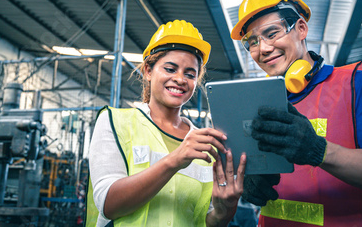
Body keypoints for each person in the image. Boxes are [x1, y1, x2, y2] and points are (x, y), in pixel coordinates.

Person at [230, 0, 362, 227]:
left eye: (272, 33)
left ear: (301, 29)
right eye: (252, 42)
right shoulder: (257, 104)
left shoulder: (354, 82)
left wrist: (318, 150)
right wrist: (248, 181)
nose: (262, 49)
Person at [86, 19, 247, 226]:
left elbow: (207, 220)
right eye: (170, 69)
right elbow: (108, 204)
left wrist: (224, 211)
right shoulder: (115, 122)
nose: (180, 79)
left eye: (190, 74)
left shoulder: (206, 144)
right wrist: (175, 160)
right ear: (148, 71)